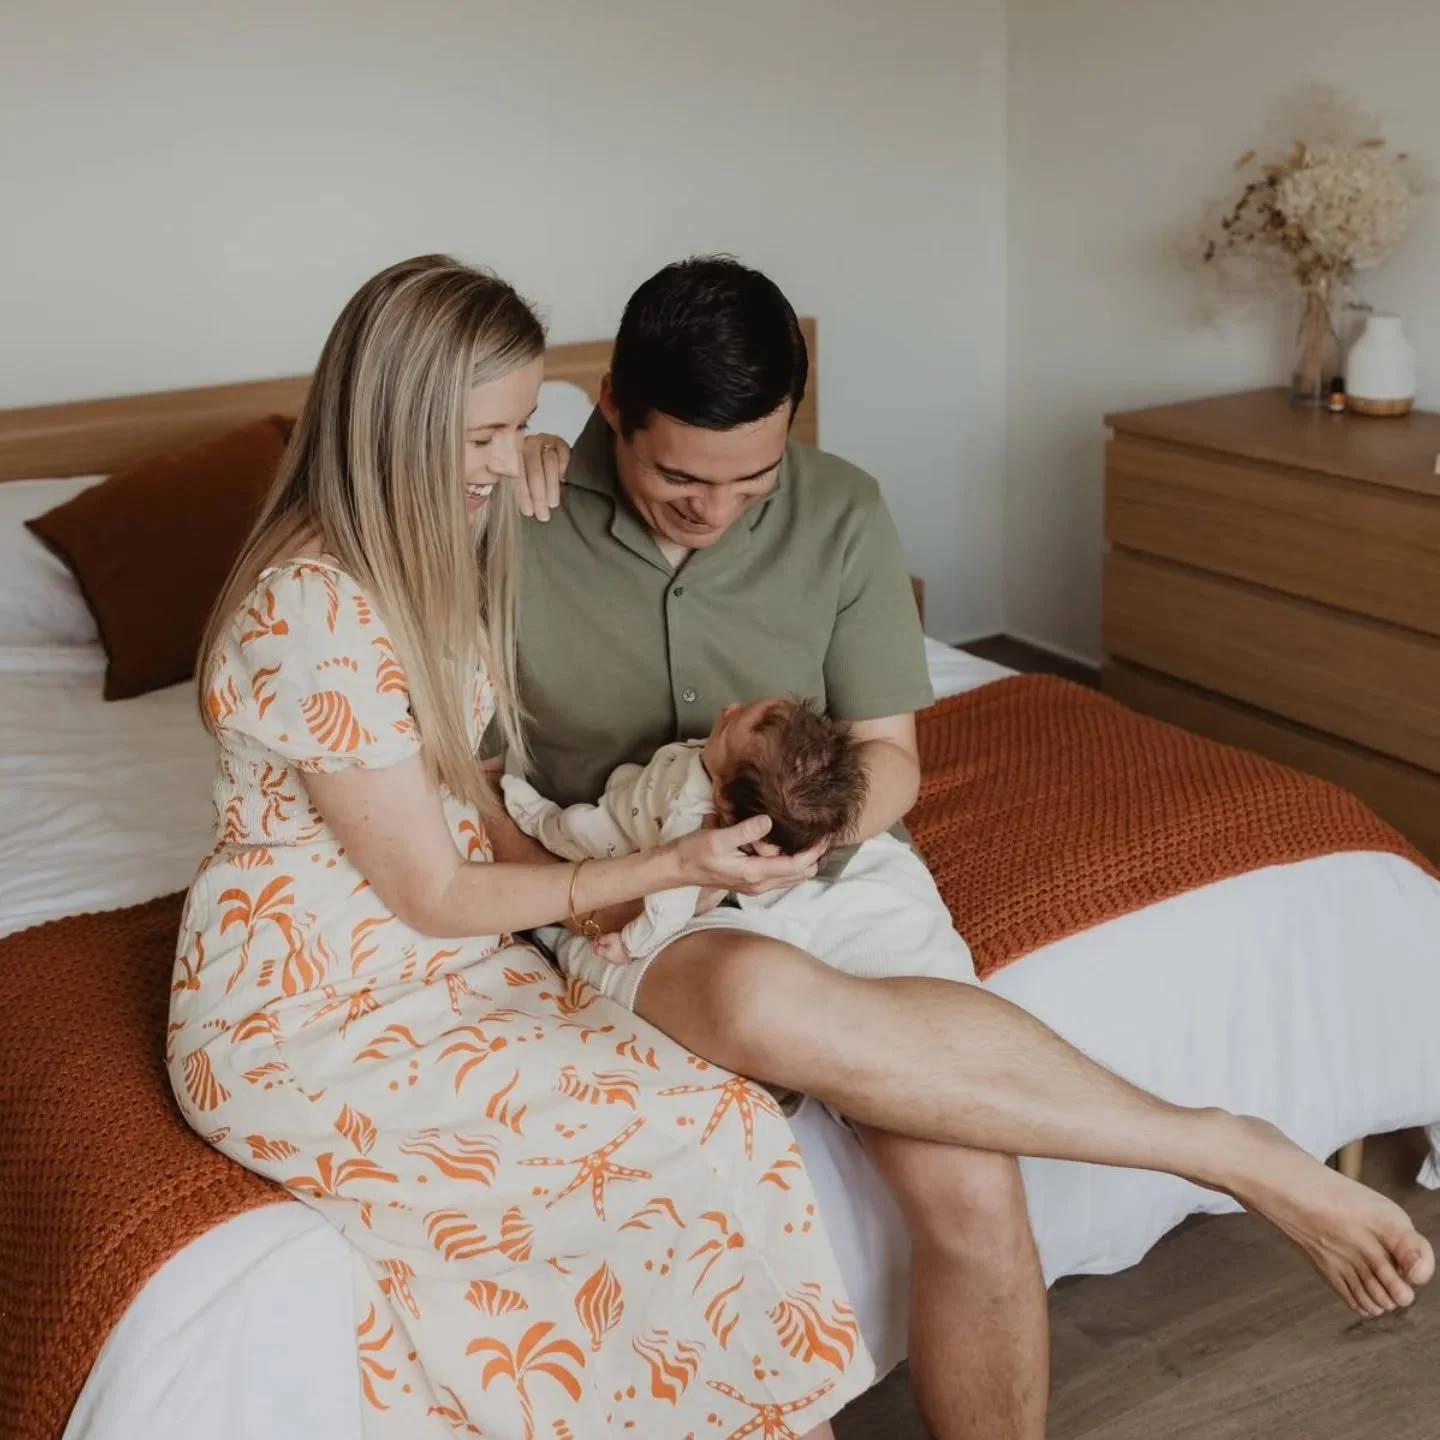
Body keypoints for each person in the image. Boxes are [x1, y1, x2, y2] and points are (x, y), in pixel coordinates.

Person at [507, 255, 1434, 1440]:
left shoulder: (841, 508)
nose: (717, 510)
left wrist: (815, 834)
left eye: (754, 479)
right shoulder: (510, 515)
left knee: (978, 1195)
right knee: (752, 988)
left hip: (832, 870)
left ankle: (1226, 1150)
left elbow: (892, 759)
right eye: (682, 475)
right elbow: (472, 791)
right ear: (608, 409)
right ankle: (1205, 1142)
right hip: (637, 889)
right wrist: (613, 879)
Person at [169, 255, 871, 1440]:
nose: (510, 461)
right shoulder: (312, 609)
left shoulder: (433, 555)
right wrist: (666, 871)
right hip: (315, 1011)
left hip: (449, 967)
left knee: (727, 1119)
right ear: (396, 424)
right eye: (484, 436)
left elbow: (470, 799)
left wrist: (577, 906)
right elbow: (435, 889)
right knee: (632, 1168)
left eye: (522, 426)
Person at [502, 693, 974, 1012]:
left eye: (728, 725)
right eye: (742, 712)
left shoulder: (690, 824)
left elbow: (669, 900)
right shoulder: (742, 768)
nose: (726, 709)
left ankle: (532, 814)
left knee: (567, 829)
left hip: (614, 831)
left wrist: (629, 942)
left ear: (724, 801)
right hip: (637, 801)